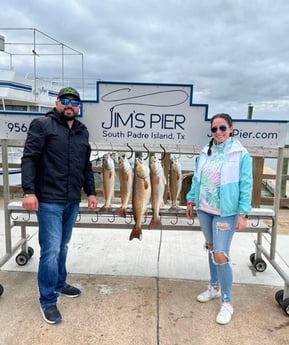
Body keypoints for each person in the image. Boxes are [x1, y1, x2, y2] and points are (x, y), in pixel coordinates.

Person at [21, 86, 98, 325]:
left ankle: (59, 283)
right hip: (49, 200)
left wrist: (92, 192)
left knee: (63, 245)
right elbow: (29, 158)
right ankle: (47, 299)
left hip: (72, 200)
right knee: (51, 249)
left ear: (78, 107)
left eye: (74, 102)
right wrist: (29, 191)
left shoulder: (82, 131)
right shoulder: (42, 125)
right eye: (65, 100)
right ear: (57, 103)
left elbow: (86, 166)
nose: (69, 105)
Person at [186, 113, 252, 325]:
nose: (218, 133)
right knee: (211, 246)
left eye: (222, 128)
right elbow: (197, 179)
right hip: (204, 208)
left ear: (231, 129)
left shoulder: (241, 154)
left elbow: (246, 185)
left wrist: (243, 213)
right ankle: (214, 287)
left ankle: (227, 302)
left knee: (221, 254)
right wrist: (190, 200)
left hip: (226, 211)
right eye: (214, 129)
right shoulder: (205, 152)